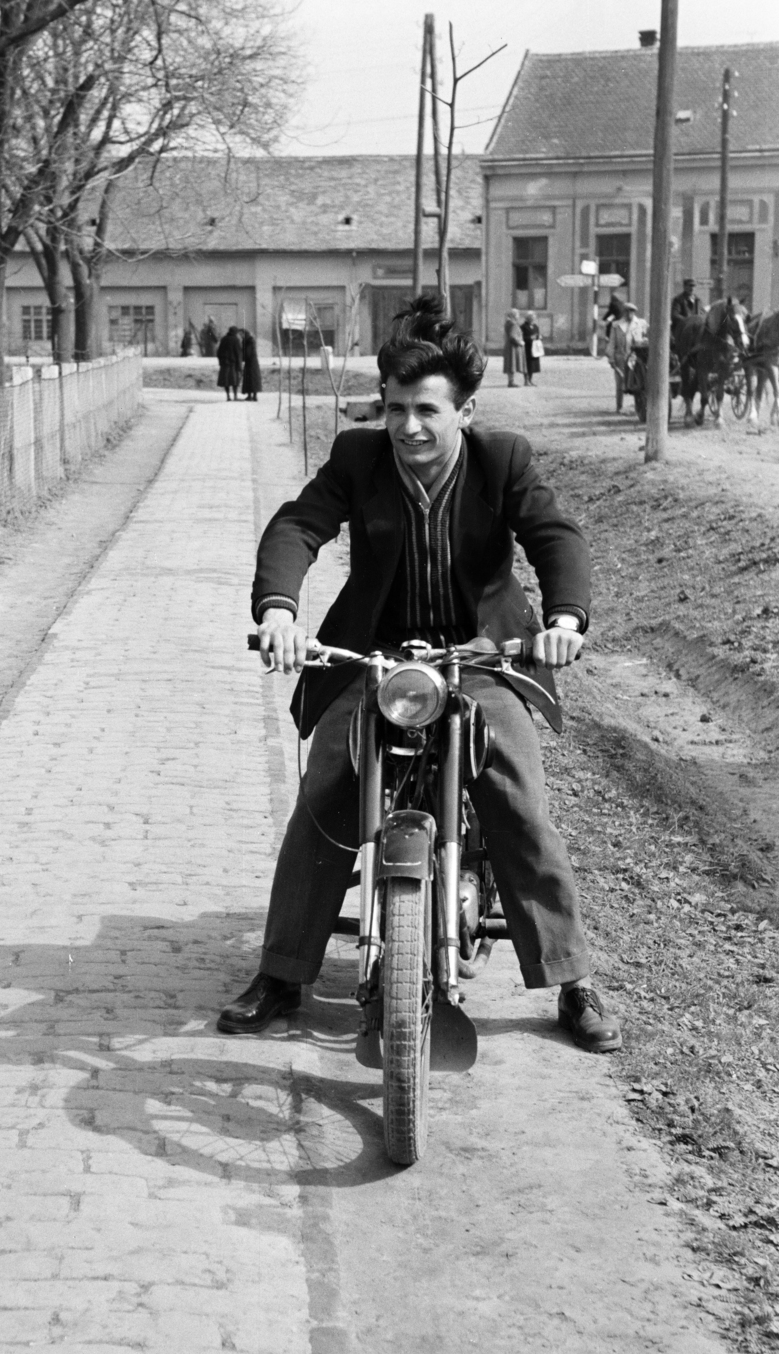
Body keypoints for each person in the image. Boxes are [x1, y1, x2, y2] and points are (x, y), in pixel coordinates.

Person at [218, 293, 622, 1054]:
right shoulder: (357, 458)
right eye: (396, 408)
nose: (408, 427)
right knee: (328, 783)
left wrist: (564, 621)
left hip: (481, 656)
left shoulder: (504, 461)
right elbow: (299, 526)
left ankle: (573, 980)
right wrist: (277, 608)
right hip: (379, 659)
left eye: (427, 410)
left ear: (463, 412)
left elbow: (555, 536)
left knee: (515, 790)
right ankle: (281, 972)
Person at [606, 301, 648, 414]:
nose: (630, 314)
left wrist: (644, 341)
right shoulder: (616, 325)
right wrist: (611, 358)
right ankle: (619, 407)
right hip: (620, 358)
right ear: (624, 312)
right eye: (628, 311)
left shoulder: (640, 324)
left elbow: (646, 338)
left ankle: (639, 406)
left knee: (637, 382)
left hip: (635, 358)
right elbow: (611, 343)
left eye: (632, 311)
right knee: (619, 384)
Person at [216, 325, 243, 401]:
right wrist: (240, 366)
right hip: (233, 364)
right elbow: (238, 353)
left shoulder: (223, 339)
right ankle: (235, 396)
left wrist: (221, 362)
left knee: (226, 381)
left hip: (224, 364)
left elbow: (218, 352)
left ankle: (228, 396)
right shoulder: (236, 340)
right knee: (235, 381)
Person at [502, 309, 526, 386]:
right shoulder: (513, 324)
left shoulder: (507, 323)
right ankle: (511, 382)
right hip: (513, 347)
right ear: (514, 315)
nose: (518, 316)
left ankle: (510, 381)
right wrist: (520, 342)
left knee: (510, 363)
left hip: (508, 346)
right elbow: (512, 336)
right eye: (517, 314)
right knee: (512, 363)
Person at [241, 329, 262, 400]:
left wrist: (242, 357)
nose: (241, 336)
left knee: (251, 379)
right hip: (252, 363)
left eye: (241, 334)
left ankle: (252, 396)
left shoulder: (249, 341)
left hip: (251, 363)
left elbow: (247, 353)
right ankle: (252, 395)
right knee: (252, 379)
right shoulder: (249, 340)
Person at [521, 312, 542, 385]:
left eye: (534, 318)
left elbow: (538, 334)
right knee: (527, 365)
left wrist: (539, 337)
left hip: (534, 348)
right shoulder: (523, 327)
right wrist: (530, 338)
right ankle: (526, 381)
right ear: (527, 318)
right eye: (531, 318)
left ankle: (530, 380)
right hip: (527, 348)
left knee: (533, 365)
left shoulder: (535, 326)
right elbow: (522, 337)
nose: (533, 319)